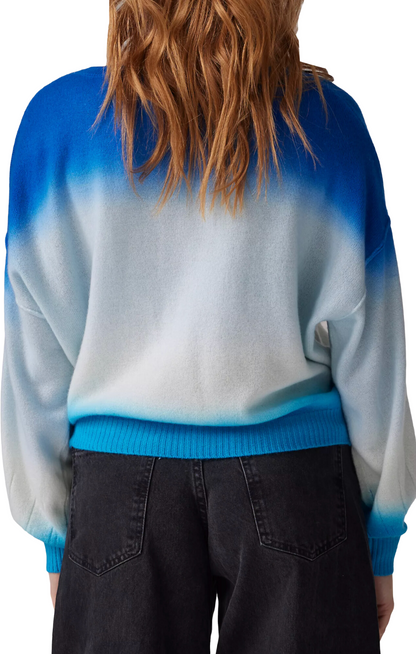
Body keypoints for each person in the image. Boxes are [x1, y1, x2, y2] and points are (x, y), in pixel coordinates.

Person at [2, 1, 415, 652]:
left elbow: (36, 354)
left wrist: (58, 537)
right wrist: (380, 535)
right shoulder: (328, 124)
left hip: (117, 492)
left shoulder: (57, 124)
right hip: (297, 483)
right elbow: (373, 349)